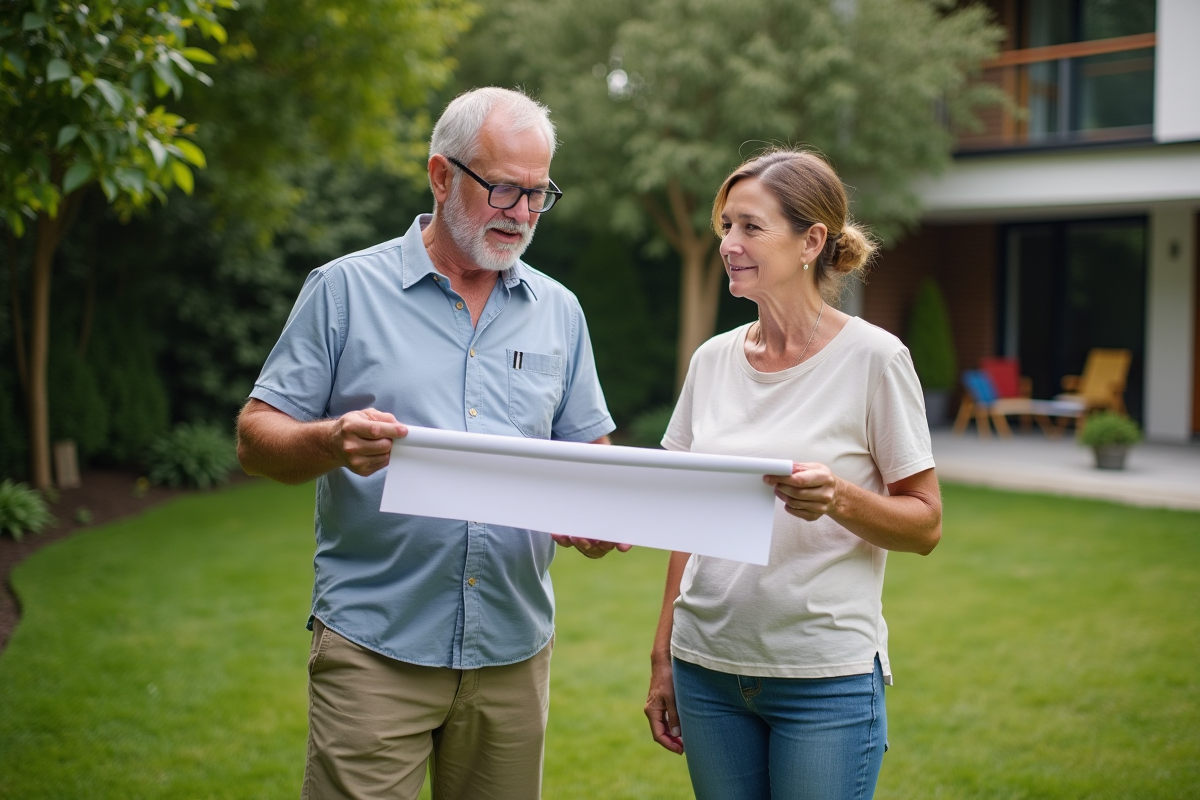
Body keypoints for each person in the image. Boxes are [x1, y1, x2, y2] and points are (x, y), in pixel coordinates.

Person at [236, 87, 624, 800]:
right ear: (442, 176)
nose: (522, 213)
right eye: (504, 188)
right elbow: (256, 438)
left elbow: (590, 458)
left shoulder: (560, 312)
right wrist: (332, 440)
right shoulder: (344, 290)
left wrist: (599, 518)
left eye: (538, 194)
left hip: (511, 653)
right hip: (376, 648)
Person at [643, 149, 943, 800]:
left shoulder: (875, 359)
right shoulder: (712, 360)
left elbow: (925, 525)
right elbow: (684, 517)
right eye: (726, 226)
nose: (729, 243)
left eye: (751, 227)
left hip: (824, 680)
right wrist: (663, 651)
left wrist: (838, 498)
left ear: (811, 242)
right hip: (706, 671)